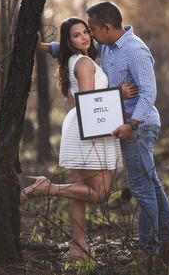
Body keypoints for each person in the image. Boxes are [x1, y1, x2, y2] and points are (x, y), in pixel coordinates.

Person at [49, 2, 169, 270]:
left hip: (139, 126)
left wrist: (132, 124)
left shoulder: (134, 50)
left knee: (142, 187)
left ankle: (148, 251)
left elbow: (148, 92)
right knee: (152, 184)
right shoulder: (110, 47)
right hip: (125, 126)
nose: (90, 34)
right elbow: (74, 47)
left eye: (92, 29)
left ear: (106, 28)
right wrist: (46, 48)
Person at [20, 17, 137, 261]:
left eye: (85, 32)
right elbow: (89, 100)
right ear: (69, 41)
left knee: (78, 193)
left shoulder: (76, 59)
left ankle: (78, 248)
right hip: (91, 128)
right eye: (76, 35)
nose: (84, 37)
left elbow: (84, 96)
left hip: (83, 126)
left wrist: (43, 47)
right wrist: (119, 92)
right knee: (99, 193)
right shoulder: (84, 62)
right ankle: (45, 188)